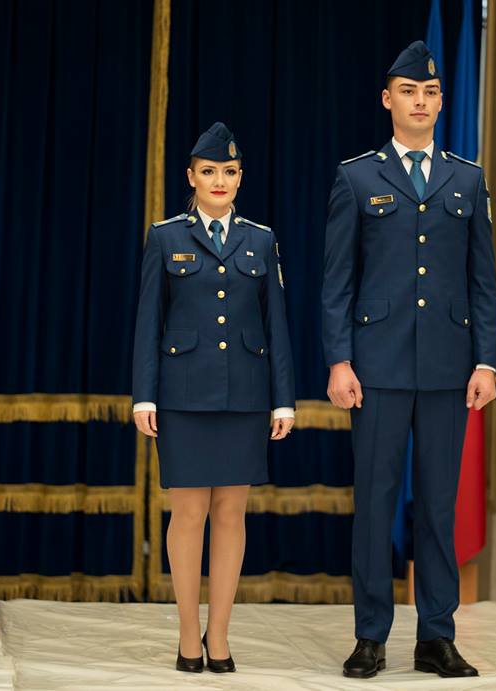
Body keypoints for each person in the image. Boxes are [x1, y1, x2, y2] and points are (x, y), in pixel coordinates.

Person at [321, 41, 496, 679]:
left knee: (439, 505)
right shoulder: (357, 178)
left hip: (449, 367)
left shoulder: (467, 179)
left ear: (441, 102)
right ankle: (370, 635)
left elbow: (482, 281)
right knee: (375, 503)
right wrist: (340, 360)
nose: (420, 102)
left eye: (430, 92)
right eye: (408, 92)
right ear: (387, 100)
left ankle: (436, 636)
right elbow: (338, 281)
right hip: (377, 367)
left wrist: (486, 362)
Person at [131, 122, 296, 673]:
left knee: (231, 514)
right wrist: (143, 396)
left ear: (240, 177)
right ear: (191, 177)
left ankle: (219, 636)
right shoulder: (165, 237)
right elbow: (148, 322)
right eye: (208, 171)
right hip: (182, 397)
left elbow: (276, 324)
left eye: (228, 171)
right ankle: (186, 635)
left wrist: (283, 400)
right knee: (188, 514)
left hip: (245, 396)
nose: (219, 180)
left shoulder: (261, 239)